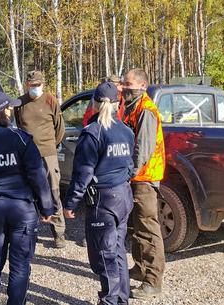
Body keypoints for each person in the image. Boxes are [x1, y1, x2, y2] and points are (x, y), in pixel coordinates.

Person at [0, 91, 54, 305]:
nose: (12, 111)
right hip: (21, 209)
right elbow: (38, 175)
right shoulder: (22, 139)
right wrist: (46, 208)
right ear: (3, 111)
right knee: (20, 264)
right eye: (9, 108)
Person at [64, 82, 136, 305]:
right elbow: (130, 165)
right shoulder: (126, 131)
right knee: (118, 249)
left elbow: (83, 173)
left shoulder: (92, 132)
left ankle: (110, 300)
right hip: (124, 195)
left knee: (104, 254)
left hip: (103, 201)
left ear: (93, 103)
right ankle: (121, 298)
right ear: (117, 104)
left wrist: (70, 203)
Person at [121, 68, 166, 299]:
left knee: (148, 228)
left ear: (142, 85)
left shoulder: (146, 110)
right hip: (135, 178)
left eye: (128, 84)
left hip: (144, 179)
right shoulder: (131, 107)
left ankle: (152, 280)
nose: (124, 87)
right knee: (136, 227)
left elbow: (143, 149)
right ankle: (140, 268)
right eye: (124, 83)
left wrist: (130, 172)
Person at [14, 71, 67, 248]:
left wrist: (50, 145)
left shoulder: (50, 100)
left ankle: (58, 232)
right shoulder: (20, 103)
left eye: (37, 85)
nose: (34, 88)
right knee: (30, 193)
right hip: (28, 155)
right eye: (31, 85)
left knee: (53, 191)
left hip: (48, 154)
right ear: (26, 84)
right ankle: (32, 230)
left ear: (42, 84)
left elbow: (60, 129)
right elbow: (19, 128)